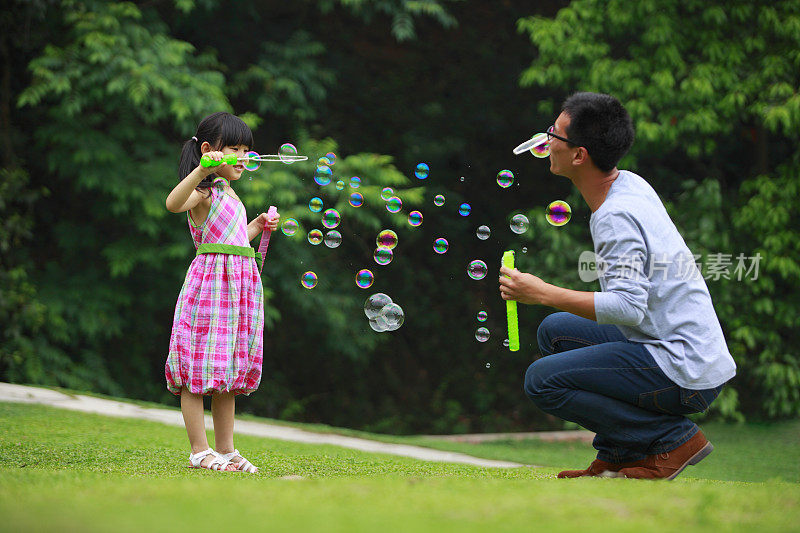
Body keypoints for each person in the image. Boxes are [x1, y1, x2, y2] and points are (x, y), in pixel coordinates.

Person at [499, 92, 736, 480]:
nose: (544, 142)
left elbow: (628, 308)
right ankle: (619, 454)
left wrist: (541, 292)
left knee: (541, 380)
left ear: (579, 155)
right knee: (555, 331)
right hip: (683, 347)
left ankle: (673, 439)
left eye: (553, 135)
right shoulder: (628, 183)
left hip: (683, 369)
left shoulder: (615, 216)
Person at [165, 112, 279, 473]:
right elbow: (171, 204)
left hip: (235, 291)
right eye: (236, 149)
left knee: (226, 373)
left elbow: (230, 240)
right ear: (209, 150)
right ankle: (200, 451)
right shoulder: (202, 192)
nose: (244, 157)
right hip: (209, 289)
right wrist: (199, 171)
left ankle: (226, 450)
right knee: (197, 371)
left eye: (247, 149)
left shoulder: (231, 193)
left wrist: (257, 226)